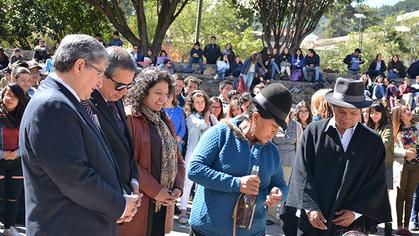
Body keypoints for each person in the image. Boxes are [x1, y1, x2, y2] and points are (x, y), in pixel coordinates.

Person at [19, 34, 139, 236]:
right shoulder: (53, 106)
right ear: (80, 66)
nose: (100, 82)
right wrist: (119, 205)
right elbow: (74, 177)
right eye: (99, 73)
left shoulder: (68, 102)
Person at [285, 77, 392, 235]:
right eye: (342, 111)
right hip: (315, 219)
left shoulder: (373, 140)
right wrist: (310, 208)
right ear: (332, 106)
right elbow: (301, 172)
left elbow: (376, 181)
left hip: (351, 222)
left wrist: (356, 211)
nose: (347, 117)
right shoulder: (313, 132)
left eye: (353, 113)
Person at [188, 83, 291, 235]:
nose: (274, 133)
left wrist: (279, 193)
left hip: (254, 232)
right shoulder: (220, 134)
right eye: (273, 126)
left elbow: (280, 184)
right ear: (255, 117)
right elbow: (194, 170)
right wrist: (236, 183)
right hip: (208, 231)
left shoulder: (272, 151)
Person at [121, 67, 185, 236]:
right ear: (143, 91)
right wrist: (157, 191)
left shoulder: (165, 120)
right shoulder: (130, 118)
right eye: (158, 93)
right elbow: (127, 162)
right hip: (140, 205)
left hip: (163, 203)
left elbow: (178, 158)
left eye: (166, 94)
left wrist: (178, 187)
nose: (163, 99)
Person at [88, 46, 140, 203]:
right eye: (120, 86)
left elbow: (126, 148)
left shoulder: (116, 100)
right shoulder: (87, 105)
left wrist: (134, 181)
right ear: (102, 74)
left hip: (123, 195)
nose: (124, 92)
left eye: (128, 86)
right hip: (104, 199)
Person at [179, 90, 217, 224]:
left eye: (202, 102)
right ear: (193, 104)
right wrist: (207, 116)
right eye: (197, 102)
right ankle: (183, 210)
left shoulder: (212, 118)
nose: (200, 104)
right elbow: (203, 127)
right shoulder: (190, 117)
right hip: (193, 152)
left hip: (207, 154)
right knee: (187, 182)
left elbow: (218, 132)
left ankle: (197, 212)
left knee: (201, 184)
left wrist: (209, 116)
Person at [0, 84, 27, 236]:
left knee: (13, 197)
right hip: (0, 160)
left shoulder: (25, 117)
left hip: (18, 160)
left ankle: (10, 227)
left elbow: (30, 141)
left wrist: (18, 152)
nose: (9, 99)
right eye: (7, 95)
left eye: (14, 96)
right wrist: (2, 154)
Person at [267, 111, 303, 225]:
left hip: (291, 160)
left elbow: (299, 144)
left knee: (287, 188)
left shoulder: (297, 126)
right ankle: (271, 216)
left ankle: (284, 215)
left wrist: (299, 163)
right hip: (276, 160)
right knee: (274, 186)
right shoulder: (275, 123)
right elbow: (269, 142)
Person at [367, 101, 394, 235]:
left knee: (384, 197)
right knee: (372, 196)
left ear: (382, 113)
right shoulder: (369, 126)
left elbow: (385, 143)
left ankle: (388, 224)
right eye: (371, 112)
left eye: (376, 113)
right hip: (371, 167)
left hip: (384, 167)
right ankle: (372, 224)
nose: (373, 115)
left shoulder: (387, 127)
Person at [392, 105, 419, 236]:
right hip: (401, 166)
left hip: (416, 166)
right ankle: (399, 226)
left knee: (409, 196)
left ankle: (407, 227)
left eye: (408, 109)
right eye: (404, 111)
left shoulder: (417, 127)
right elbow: (391, 149)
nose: (409, 112)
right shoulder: (396, 129)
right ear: (399, 115)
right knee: (400, 196)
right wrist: (405, 152)